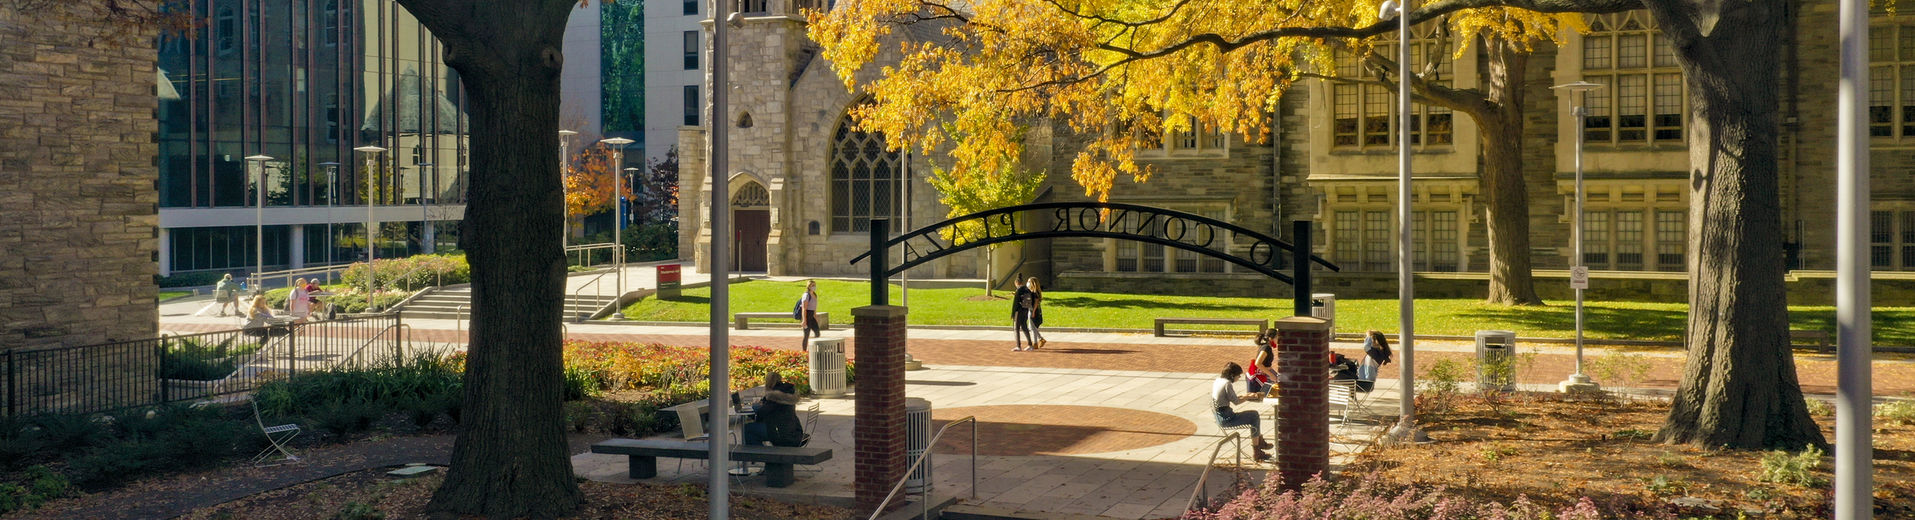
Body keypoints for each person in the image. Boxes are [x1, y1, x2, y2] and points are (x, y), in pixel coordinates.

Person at [1212, 362, 1273, 461]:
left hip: (1221, 415)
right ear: (1232, 375)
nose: (1239, 377)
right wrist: (1249, 396)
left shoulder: (1218, 381)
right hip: (1227, 417)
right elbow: (1236, 401)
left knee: (1253, 415)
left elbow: (1232, 398)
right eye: (1238, 375)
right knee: (1254, 416)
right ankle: (1257, 450)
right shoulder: (1227, 384)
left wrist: (1246, 395)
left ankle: (1259, 443)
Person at [742, 372, 805, 447]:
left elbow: (761, 414)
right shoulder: (786, 392)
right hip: (794, 430)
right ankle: (759, 451)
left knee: (748, 429)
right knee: (753, 427)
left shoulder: (774, 396)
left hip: (781, 433)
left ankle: (759, 454)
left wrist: (754, 409)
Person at [1244, 330, 1276, 394]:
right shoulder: (1266, 347)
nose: (1278, 340)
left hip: (1267, 372)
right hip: (1265, 374)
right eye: (1277, 337)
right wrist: (1271, 375)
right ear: (1271, 338)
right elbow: (1258, 363)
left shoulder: (1266, 346)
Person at [1011, 277, 1035, 351]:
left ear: (1016, 283)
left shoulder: (1019, 290)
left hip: (1018, 310)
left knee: (1016, 328)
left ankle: (1018, 346)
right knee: (1024, 326)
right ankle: (1030, 344)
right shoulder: (1027, 289)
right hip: (1025, 309)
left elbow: (1015, 303)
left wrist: (1012, 313)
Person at [1026, 277, 1047, 349]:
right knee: (1032, 327)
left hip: (1033, 311)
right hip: (1031, 310)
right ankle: (1040, 339)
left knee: (1033, 327)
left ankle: (1036, 342)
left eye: (1029, 281)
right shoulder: (1032, 292)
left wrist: (1033, 312)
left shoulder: (1035, 293)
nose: (1027, 283)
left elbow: (1036, 303)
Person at [799, 280, 821, 352]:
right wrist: (804, 320)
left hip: (812, 315)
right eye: (812, 285)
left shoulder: (814, 294)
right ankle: (804, 351)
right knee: (806, 334)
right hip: (807, 315)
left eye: (814, 285)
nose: (814, 287)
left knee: (817, 332)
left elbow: (814, 307)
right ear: (808, 286)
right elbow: (804, 308)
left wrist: (815, 316)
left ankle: (812, 348)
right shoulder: (806, 295)